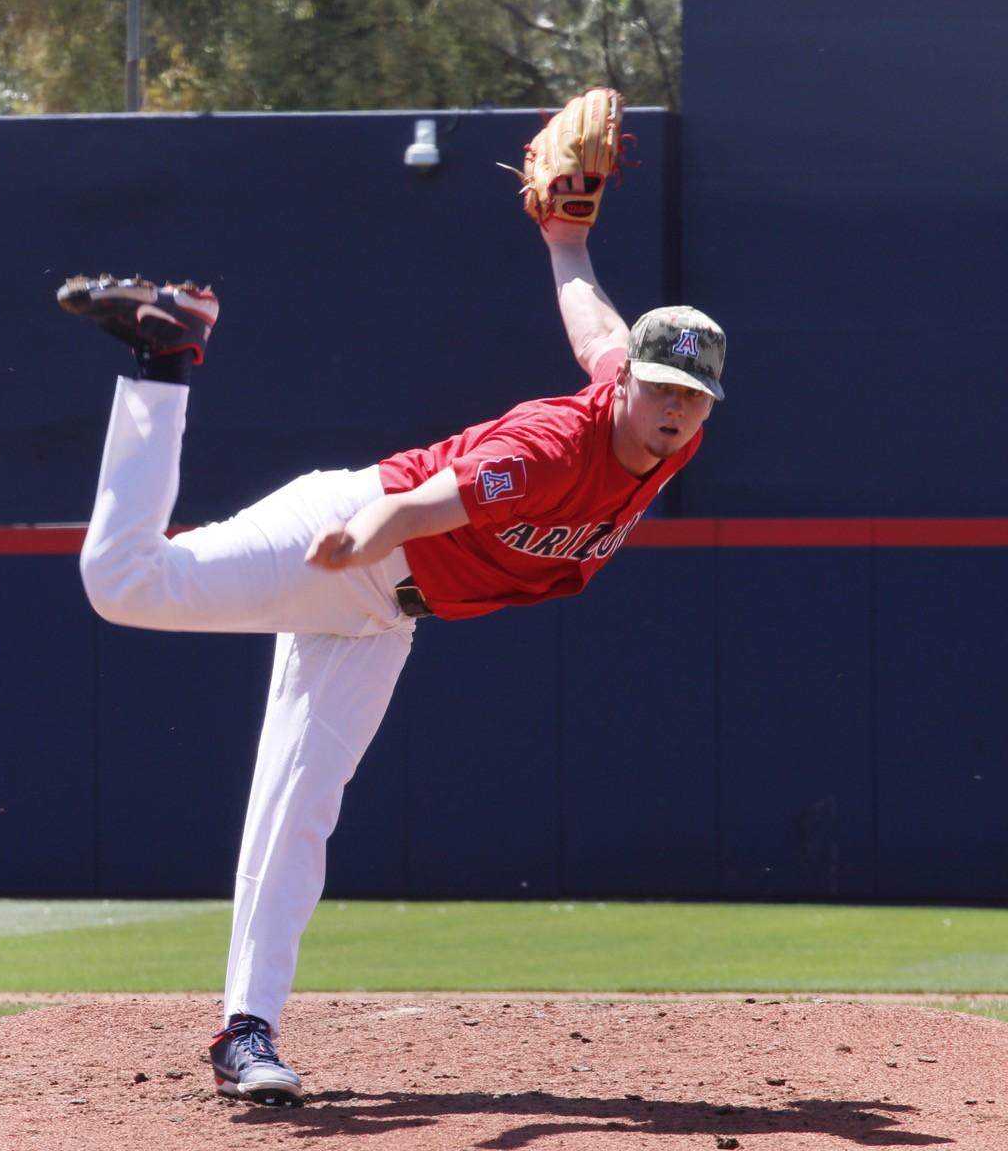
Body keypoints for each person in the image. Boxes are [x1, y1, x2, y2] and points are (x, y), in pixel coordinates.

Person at [56, 157, 726, 1107]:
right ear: (627, 393)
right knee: (121, 581)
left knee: (299, 808)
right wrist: (360, 535)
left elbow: (599, 326)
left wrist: (566, 240)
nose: (673, 408)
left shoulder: (667, 426)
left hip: (381, 617)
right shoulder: (550, 449)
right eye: (659, 389)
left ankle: (247, 1032)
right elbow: (428, 503)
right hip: (352, 535)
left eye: (692, 397)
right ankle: (167, 357)